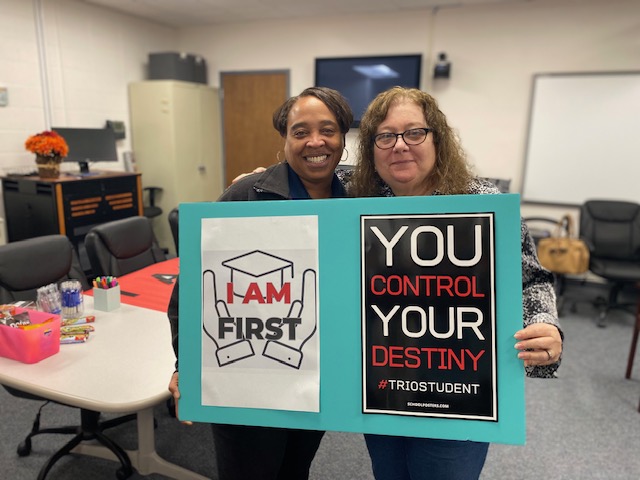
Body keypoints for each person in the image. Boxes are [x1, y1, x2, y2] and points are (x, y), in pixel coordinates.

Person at [348, 86, 563, 480]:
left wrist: (545, 323)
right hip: (383, 383)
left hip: (461, 387)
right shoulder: (358, 200)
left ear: (437, 139)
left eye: (414, 132)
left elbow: (531, 280)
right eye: (385, 136)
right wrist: (257, 181)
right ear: (371, 148)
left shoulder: (481, 201)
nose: (400, 146)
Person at [167, 86, 354, 480]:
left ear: (343, 137)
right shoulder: (246, 195)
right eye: (300, 132)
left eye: (328, 130)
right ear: (284, 139)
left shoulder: (357, 196)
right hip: (246, 372)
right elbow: (193, 287)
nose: (315, 142)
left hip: (317, 373)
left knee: (295, 468)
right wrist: (186, 363)